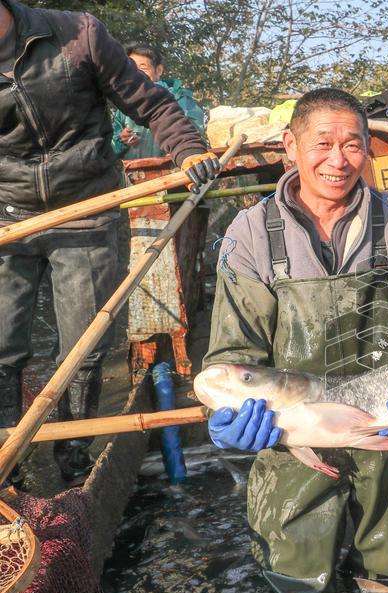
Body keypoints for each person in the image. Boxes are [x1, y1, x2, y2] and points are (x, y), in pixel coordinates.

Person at [202, 87, 388, 593]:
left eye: (353, 145)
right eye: (322, 143)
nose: (338, 160)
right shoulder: (249, 234)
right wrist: (229, 421)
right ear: (289, 147)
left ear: (368, 149)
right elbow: (232, 351)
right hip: (293, 436)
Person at [0, 0, 219, 480]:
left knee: (82, 346)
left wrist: (188, 150)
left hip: (87, 210)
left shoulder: (78, 35)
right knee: (2, 345)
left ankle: (73, 457)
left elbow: (154, 104)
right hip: (7, 217)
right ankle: (7, 467)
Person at [111, 44, 207, 161]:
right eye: (132, 68)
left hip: (170, 173)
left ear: (159, 70)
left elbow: (194, 132)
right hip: (135, 175)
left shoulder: (178, 97)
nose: (137, 74)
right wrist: (122, 140)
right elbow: (111, 148)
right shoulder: (124, 104)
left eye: (143, 68)